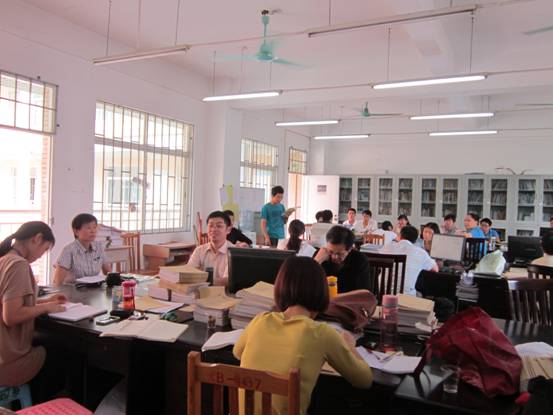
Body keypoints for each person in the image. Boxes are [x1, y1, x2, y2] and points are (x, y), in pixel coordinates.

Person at [233, 256, 373, 415]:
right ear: (321, 292)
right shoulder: (322, 334)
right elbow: (364, 380)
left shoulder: (260, 320)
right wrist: (349, 345)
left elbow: (237, 353)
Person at [0, 221, 67, 387]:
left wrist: (46, 301)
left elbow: (8, 302)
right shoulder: (18, 265)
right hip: (8, 364)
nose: (40, 256)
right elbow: (11, 316)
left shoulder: (4, 259)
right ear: (37, 238)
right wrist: (46, 307)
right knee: (66, 350)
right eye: (45, 250)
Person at [53, 213, 111, 286]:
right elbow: (57, 282)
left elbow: (108, 273)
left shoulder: (99, 247)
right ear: (76, 231)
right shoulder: (69, 250)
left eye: (94, 227)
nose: (93, 231)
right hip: (72, 290)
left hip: (94, 289)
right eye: (88, 228)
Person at [380, 226, 438, 296]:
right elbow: (436, 269)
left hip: (382, 293)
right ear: (415, 240)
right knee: (420, 294)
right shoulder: (420, 252)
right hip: (406, 297)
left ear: (400, 235)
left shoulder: (386, 247)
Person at [314, 226, 371, 293]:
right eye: (331, 252)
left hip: (350, 299)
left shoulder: (360, 260)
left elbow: (363, 292)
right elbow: (306, 285)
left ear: (349, 249)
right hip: (323, 299)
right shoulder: (320, 255)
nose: (334, 257)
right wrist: (317, 261)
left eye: (339, 254)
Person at [188, 211, 234, 286]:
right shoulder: (199, 250)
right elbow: (188, 273)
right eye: (211, 226)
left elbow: (227, 281)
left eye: (219, 226)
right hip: (201, 291)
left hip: (223, 292)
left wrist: (200, 279)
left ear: (228, 230)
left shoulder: (233, 253)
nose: (213, 229)